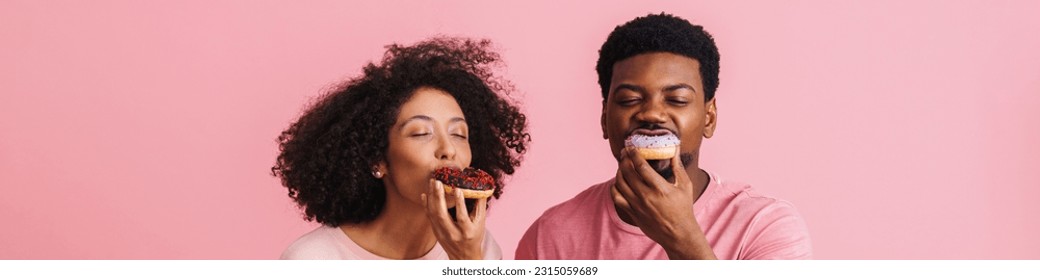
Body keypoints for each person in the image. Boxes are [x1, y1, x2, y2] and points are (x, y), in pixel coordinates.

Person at [515, 13, 812, 260]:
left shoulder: (765, 226)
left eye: (677, 100)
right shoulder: (550, 235)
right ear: (604, 119)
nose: (652, 114)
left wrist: (681, 237)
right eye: (630, 99)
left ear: (709, 117)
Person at [273, 37, 530, 260]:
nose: (448, 149)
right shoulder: (313, 260)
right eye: (421, 133)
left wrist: (467, 260)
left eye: (459, 134)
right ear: (378, 159)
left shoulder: (480, 247)